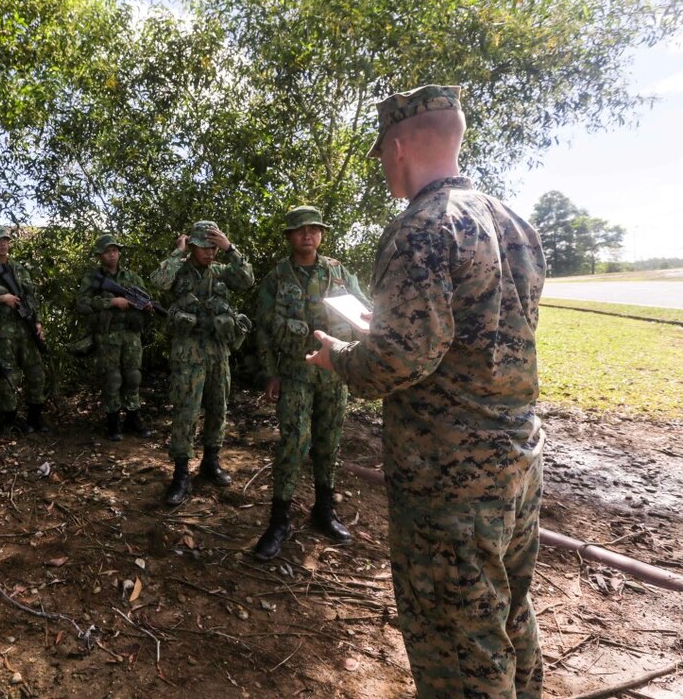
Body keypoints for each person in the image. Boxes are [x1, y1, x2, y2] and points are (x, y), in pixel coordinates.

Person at [305, 85, 546, 697]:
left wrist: (342, 359)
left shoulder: (422, 227)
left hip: (448, 474)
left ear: (400, 145)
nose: (384, 164)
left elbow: (399, 359)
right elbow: (481, 336)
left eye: (383, 152)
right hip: (517, 455)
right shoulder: (512, 222)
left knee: (458, 637)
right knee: (509, 611)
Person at [253, 205, 370, 560]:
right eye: (301, 229)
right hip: (294, 373)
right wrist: (271, 372)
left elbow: (363, 310)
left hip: (334, 371)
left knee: (328, 440)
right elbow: (263, 328)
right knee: (294, 440)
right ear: (290, 236)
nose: (308, 234)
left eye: (314, 229)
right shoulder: (277, 278)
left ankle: (324, 509)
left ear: (321, 234)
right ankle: (280, 519)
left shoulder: (338, 272)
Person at [149, 220, 254, 505]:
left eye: (213, 246)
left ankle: (211, 461)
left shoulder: (222, 272)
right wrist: (177, 253)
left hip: (218, 352)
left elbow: (247, 280)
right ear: (192, 246)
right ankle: (181, 473)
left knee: (218, 408)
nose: (210, 252)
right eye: (204, 246)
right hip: (189, 353)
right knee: (186, 411)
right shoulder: (179, 271)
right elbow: (157, 282)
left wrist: (230, 248)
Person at [75, 234, 155, 441]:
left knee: (133, 377)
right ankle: (113, 422)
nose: (112, 255)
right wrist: (110, 303)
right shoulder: (93, 279)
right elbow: (81, 304)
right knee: (112, 379)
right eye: (108, 251)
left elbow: (145, 301)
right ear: (99, 255)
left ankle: (133, 417)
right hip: (107, 336)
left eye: (115, 250)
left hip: (131, 335)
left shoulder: (133, 278)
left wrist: (146, 307)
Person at [0, 226, 49, 433]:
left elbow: (32, 297)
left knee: (36, 373)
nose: (3, 243)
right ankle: (10, 421)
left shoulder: (19, 268)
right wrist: (0, 299)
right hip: (3, 332)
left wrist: (38, 322)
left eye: (6, 240)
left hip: (26, 329)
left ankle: (36, 417)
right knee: (9, 376)